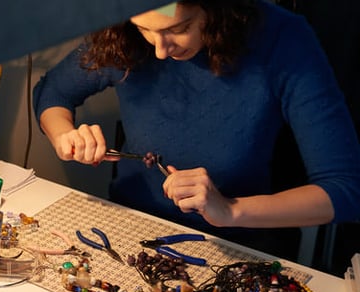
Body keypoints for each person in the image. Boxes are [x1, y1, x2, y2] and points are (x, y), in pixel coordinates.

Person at [32, 0, 360, 258]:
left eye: (180, 27)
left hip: (239, 246)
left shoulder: (282, 39)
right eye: (144, 28)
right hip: (131, 231)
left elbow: (346, 190)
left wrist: (230, 210)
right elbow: (52, 93)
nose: (160, 50)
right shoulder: (123, 34)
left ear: (215, 8)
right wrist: (66, 136)